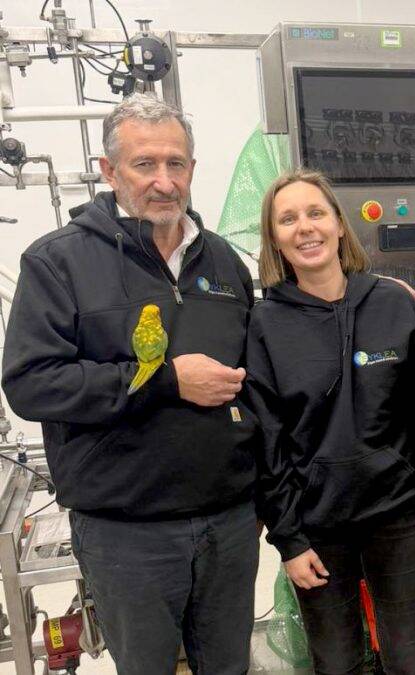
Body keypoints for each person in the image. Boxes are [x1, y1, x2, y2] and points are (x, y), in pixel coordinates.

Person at [1, 93, 259, 674]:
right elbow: (32, 385)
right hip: (128, 536)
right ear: (110, 171)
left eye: (177, 163)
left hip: (229, 524)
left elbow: (256, 384)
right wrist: (163, 382)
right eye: (145, 164)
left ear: (193, 169)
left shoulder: (223, 264)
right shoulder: (59, 263)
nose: (164, 181)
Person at [244, 169, 415, 675]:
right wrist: (288, 538)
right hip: (317, 523)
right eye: (288, 219)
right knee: (336, 662)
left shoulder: (392, 302)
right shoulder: (265, 323)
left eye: (315, 213)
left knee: (412, 658)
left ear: (337, 225)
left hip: (398, 513)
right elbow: (268, 438)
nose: (304, 228)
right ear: (275, 238)